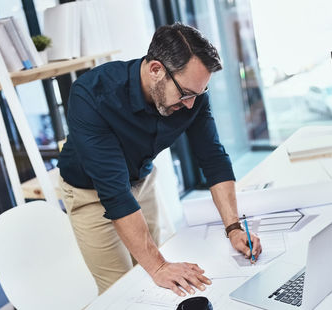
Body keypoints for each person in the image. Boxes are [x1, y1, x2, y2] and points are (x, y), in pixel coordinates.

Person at [57, 23, 262, 296]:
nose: (191, 104)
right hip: (90, 193)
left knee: (153, 284)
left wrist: (234, 228)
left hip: (140, 181)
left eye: (199, 95)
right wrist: (159, 266)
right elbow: (115, 193)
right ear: (156, 70)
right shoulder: (92, 94)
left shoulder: (192, 95)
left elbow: (213, 158)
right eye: (186, 94)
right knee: (122, 292)